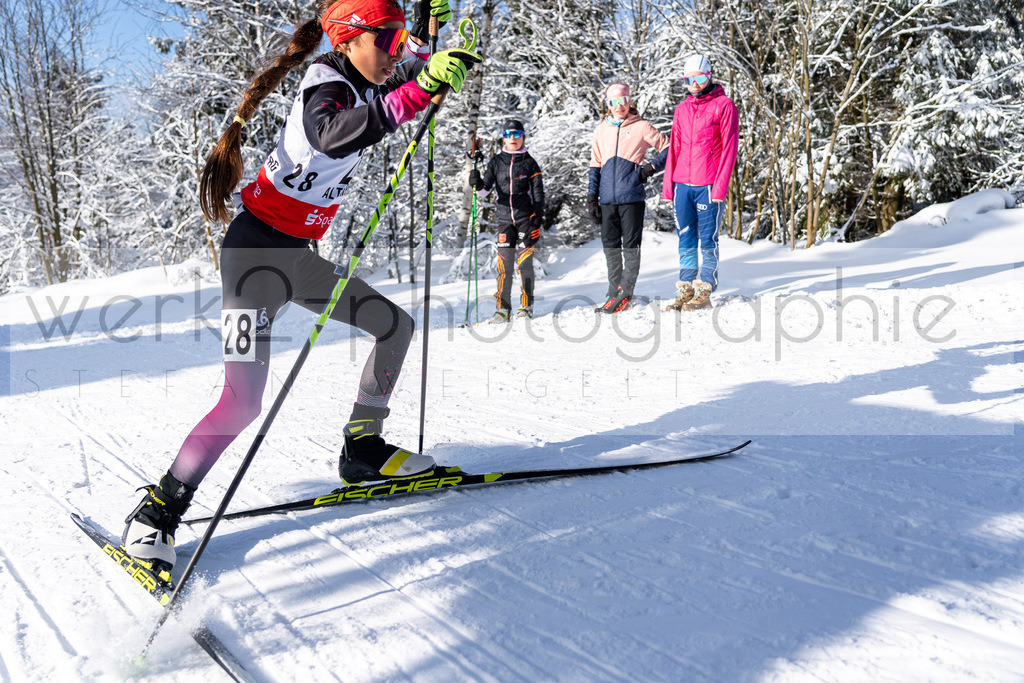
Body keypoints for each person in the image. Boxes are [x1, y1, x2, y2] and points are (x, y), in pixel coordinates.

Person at [120, 0, 480, 581]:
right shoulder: (325, 84)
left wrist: (428, 32)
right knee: (242, 402)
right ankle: (160, 507)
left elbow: (417, 60)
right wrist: (419, 87)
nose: (396, 51)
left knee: (395, 326)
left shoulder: (370, 67)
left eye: (396, 40)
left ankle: (362, 450)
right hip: (251, 261)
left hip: (296, 259)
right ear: (352, 38)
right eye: (385, 40)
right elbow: (332, 135)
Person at [662, 54, 739, 311]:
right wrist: (668, 186)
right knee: (685, 238)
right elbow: (675, 148)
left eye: (700, 77)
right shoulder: (682, 109)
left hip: (708, 184)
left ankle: (704, 289)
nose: (694, 84)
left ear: (709, 75)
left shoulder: (724, 105)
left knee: (708, 239)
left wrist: (720, 186)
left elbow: (729, 148)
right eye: (689, 79)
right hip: (682, 183)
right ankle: (686, 287)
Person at [587, 83, 669, 313]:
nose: (619, 106)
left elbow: (669, 147)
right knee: (610, 246)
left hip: (631, 198)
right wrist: (592, 197)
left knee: (630, 246)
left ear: (629, 101)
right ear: (608, 104)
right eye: (614, 102)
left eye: (623, 101)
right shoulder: (601, 130)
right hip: (606, 200)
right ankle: (614, 292)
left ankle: (626, 292)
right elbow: (595, 165)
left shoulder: (642, 126)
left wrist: (648, 169)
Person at [469, 119, 545, 322]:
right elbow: (484, 192)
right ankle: (502, 309)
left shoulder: (530, 163)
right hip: (504, 220)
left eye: (517, 135)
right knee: (504, 266)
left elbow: (538, 193)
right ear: (504, 137)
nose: (513, 139)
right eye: (509, 135)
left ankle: (526, 306)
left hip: (525, 219)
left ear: (523, 137)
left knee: (525, 264)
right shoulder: (496, 162)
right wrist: (476, 183)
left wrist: (537, 217)